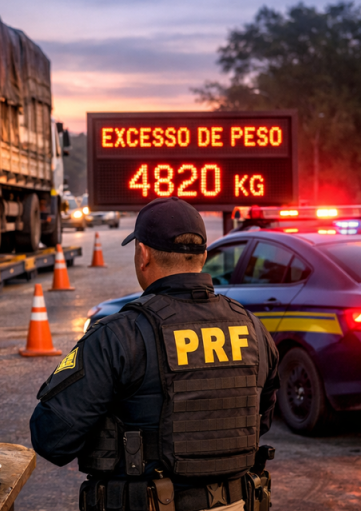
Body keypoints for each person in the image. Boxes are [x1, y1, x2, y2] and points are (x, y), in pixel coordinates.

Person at [29, 197, 279, 511]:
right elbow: (261, 420)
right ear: (203, 255)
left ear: (143, 254)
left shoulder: (118, 335)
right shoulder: (254, 329)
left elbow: (51, 437)